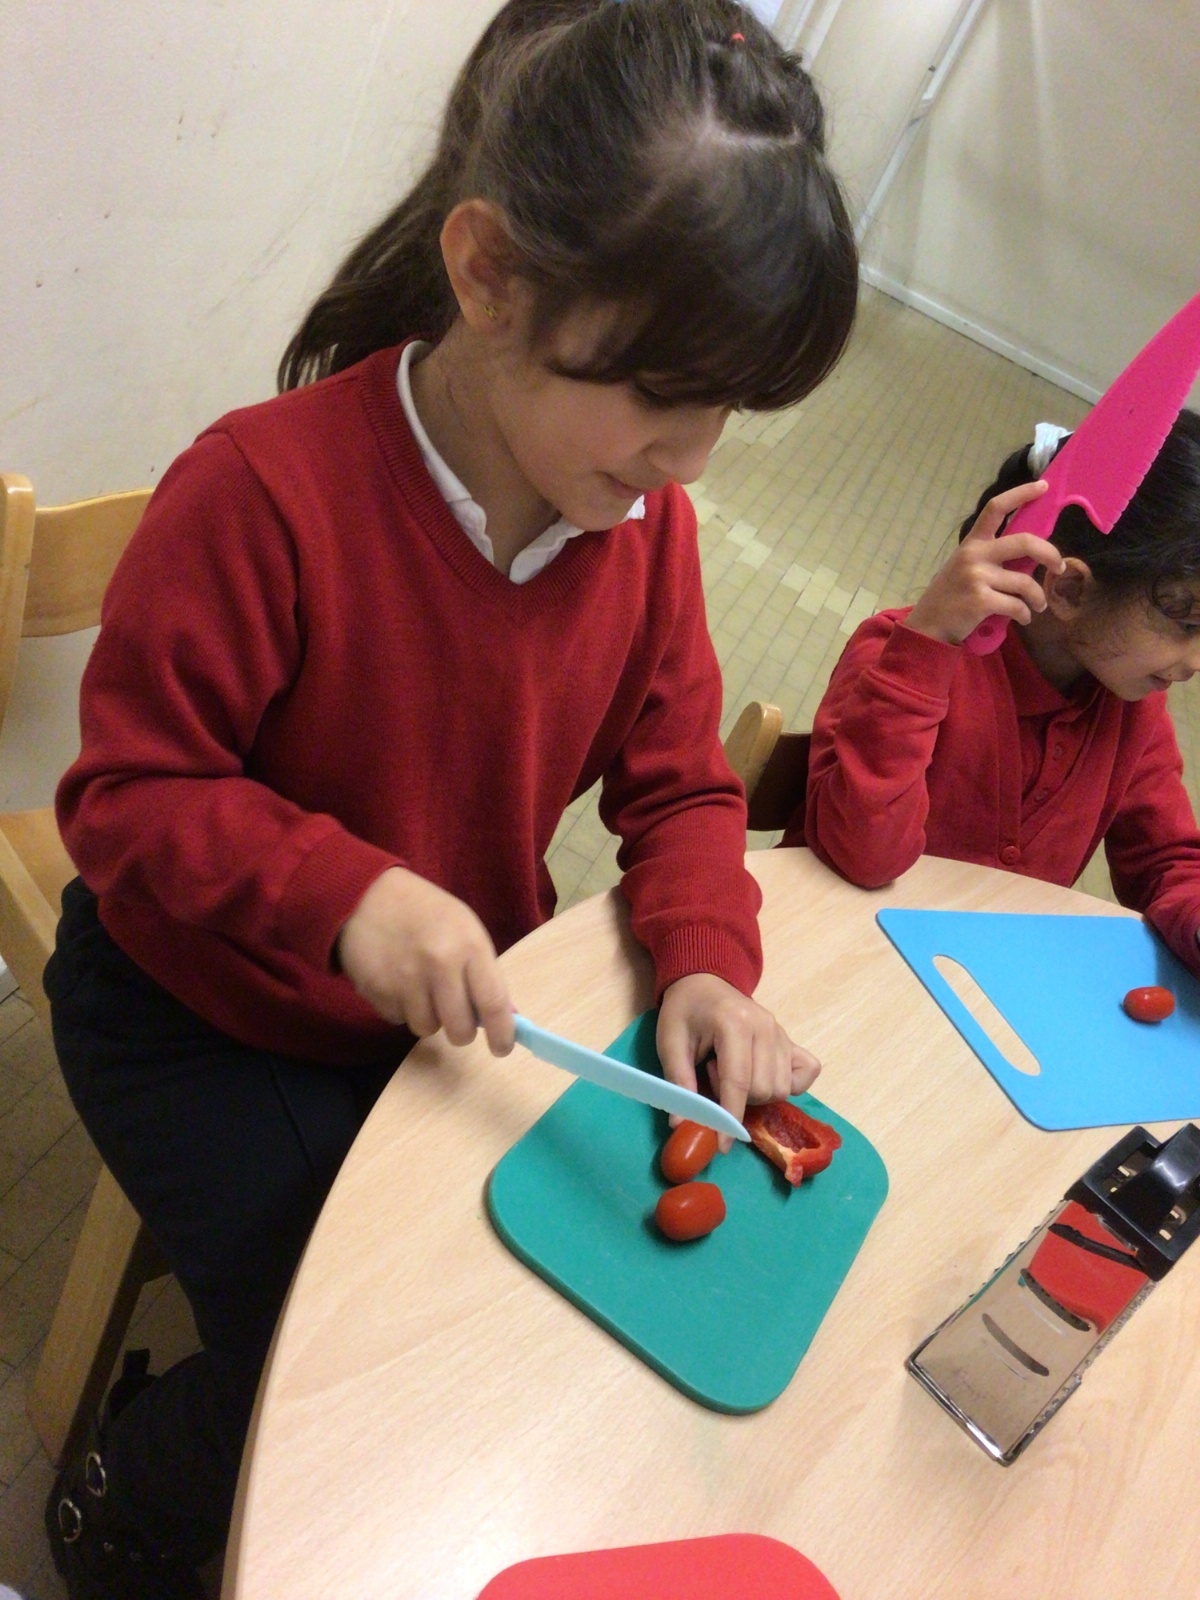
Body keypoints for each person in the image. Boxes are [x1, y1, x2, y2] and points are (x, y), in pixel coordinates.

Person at [43, 2, 859, 1594]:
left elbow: (684, 786)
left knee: (531, 1308)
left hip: (436, 1013)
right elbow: (128, 801)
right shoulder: (263, 493)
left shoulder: (643, 534)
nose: (693, 459)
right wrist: (343, 892)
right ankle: (124, 1499)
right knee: (327, 1359)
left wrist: (706, 962)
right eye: (663, 393)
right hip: (192, 1006)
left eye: (729, 411)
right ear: (488, 273)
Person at [793, 411, 1200, 972]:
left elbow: (1167, 862)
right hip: (827, 960)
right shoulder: (897, 654)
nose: (1196, 662)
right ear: (1070, 588)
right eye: (1187, 622)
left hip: (973, 986)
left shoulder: (1132, 707)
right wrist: (927, 645)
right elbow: (863, 855)